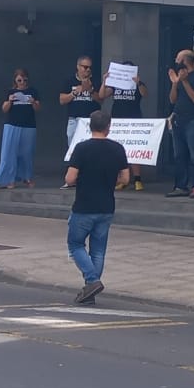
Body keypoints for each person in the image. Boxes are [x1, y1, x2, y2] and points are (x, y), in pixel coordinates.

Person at [63, 110, 129, 304]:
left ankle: (92, 281)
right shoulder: (118, 149)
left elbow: (70, 178)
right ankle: (90, 290)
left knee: (75, 245)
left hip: (84, 205)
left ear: (90, 126)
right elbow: (125, 178)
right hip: (107, 206)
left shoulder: (82, 148)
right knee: (98, 251)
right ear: (108, 128)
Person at [166, 48, 194, 198]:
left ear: (185, 61)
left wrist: (184, 81)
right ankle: (180, 185)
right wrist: (175, 84)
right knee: (179, 155)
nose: (176, 62)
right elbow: (172, 100)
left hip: (193, 120)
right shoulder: (179, 78)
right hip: (178, 119)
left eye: (178, 59)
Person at [0, 68, 40, 188]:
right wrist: (10, 101)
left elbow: (38, 108)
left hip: (28, 125)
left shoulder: (33, 91)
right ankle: (8, 179)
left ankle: (26, 177)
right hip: (12, 124)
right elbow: (4, 109)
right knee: (9, 152)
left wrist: (33, 101)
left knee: (26, 153)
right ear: (15, 80)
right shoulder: (11, 91)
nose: (22, 82)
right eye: (19, 80)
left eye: (24, 79)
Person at [104, 58, 145, 190]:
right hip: (117, 120)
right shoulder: (115, 85)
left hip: (133, 120)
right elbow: (102, 95)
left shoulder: (138, 83)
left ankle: (137, 179)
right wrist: (105, 81)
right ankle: (121, 179)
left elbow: (145, 94)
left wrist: (138, 83)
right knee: (118, 151)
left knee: (134, 151)